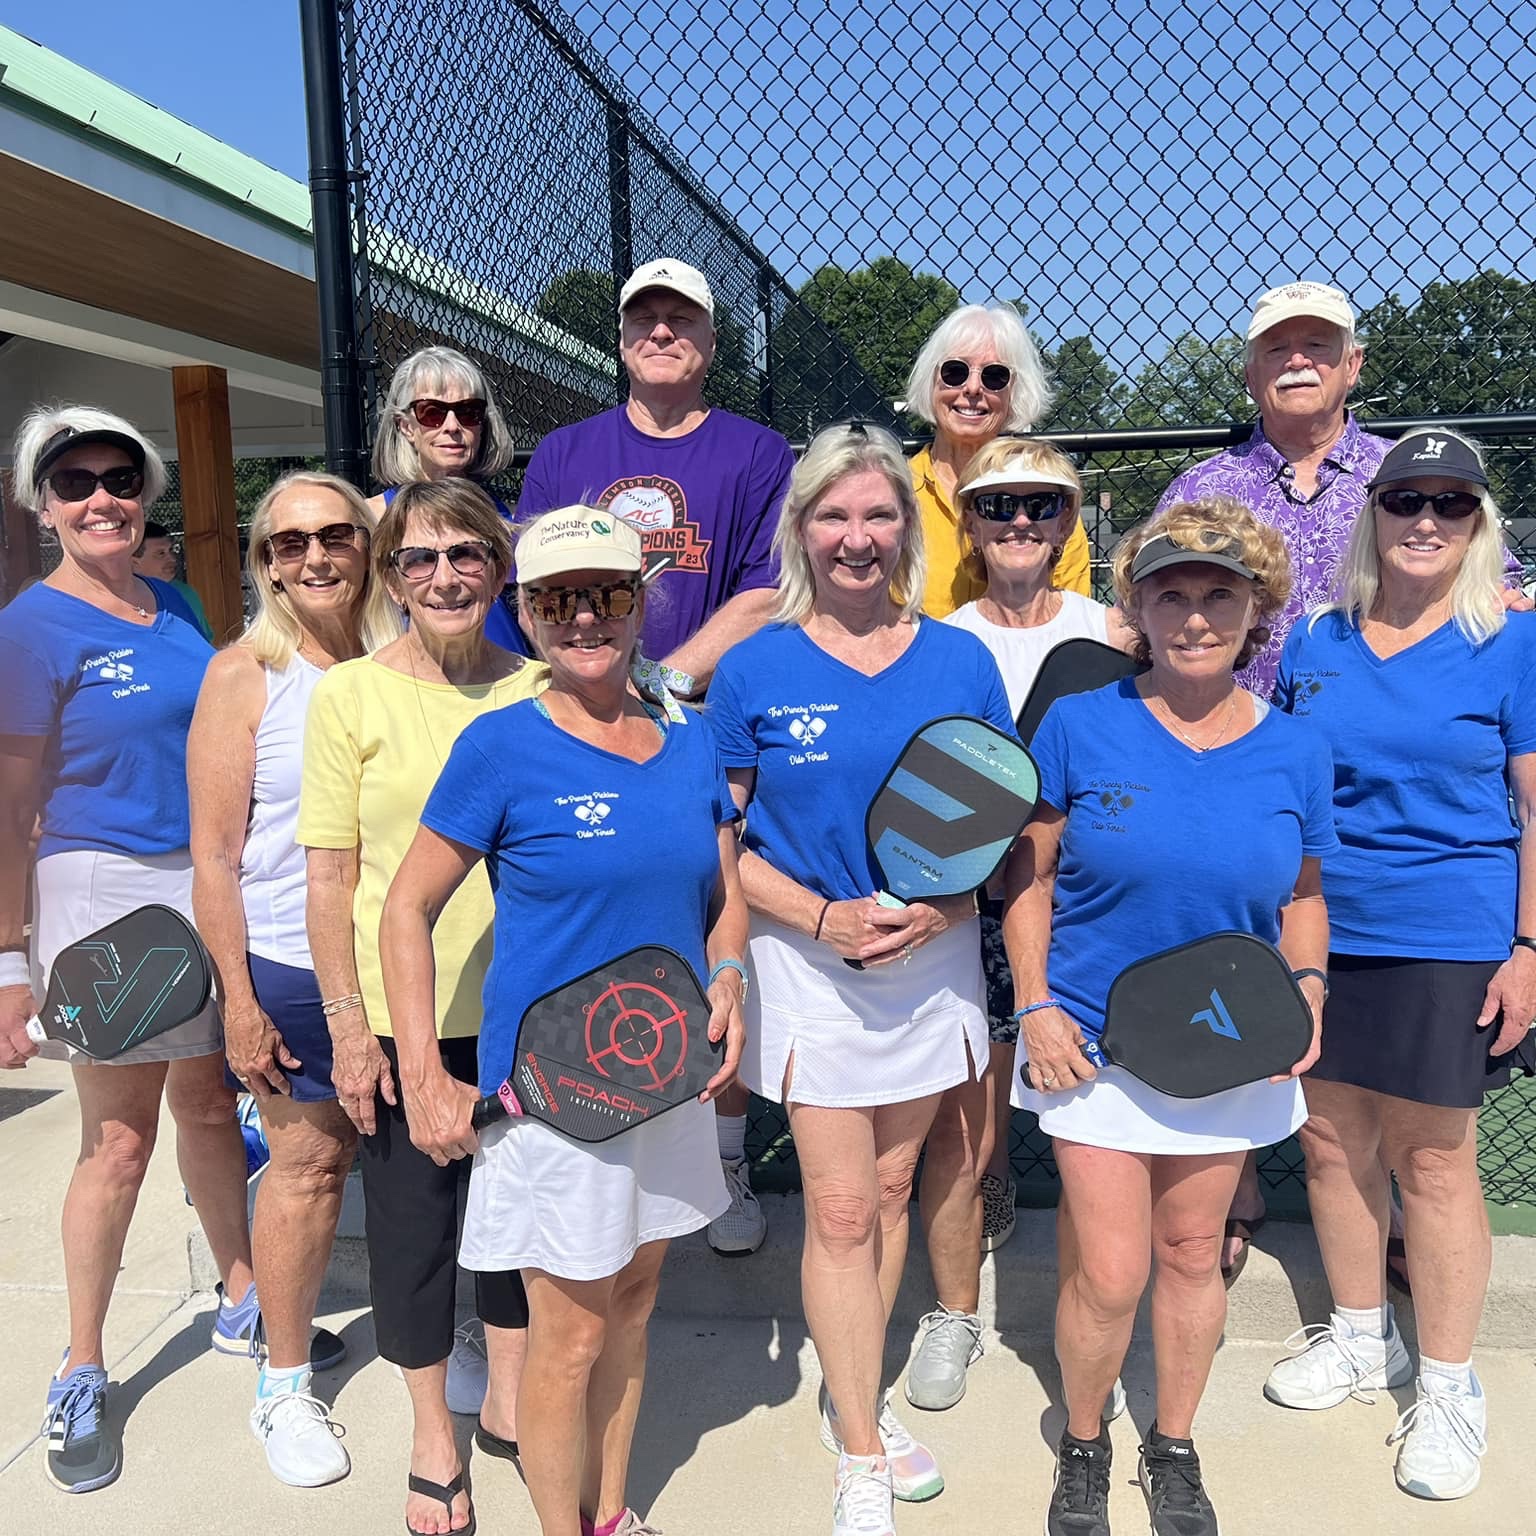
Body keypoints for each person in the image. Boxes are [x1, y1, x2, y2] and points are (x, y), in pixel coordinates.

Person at [380, 505, 746, 1536]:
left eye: (608, 593)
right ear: (527, 614)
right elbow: (405, 909)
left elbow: (726, 894)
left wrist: (731, 978)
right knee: (568, 1339)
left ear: (641, 600)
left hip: (665, 1073)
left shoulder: (688, 733)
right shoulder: (501, 746)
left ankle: (609, 1513)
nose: (585, 616)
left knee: (632, 1310)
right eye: (556, 599)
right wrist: (423, 1070)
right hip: (555, 1092)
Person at [1159, 283, 1526, 1281]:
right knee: (1238, 986)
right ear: (1250, 368)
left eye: (1319, 344)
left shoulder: (1401, 476)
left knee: (1406, 1118)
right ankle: (1228, 1182)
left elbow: (1495, 600)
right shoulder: (1205, 483)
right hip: (1232, 762)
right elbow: (1141, 610)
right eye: (1277, 346)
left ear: (1354, 364)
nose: (1298, 360)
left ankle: (1405, 1233)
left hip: (1372, 784)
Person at [1004, 496, 1332, 1536]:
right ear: (1139, 606)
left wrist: (1309, 992)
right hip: (1093, 1042)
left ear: (1256, 611)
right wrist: (1036, 1004)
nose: (1195, 616)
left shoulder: (1295, 750)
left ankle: (1175, 1444)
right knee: (1110, 1271)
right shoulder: (1079, 722)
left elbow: (1304, 897)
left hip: (1227, 1043)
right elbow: (1030, 877)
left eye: (1219, 596)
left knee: (1194, 1253)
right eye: (1173, 593)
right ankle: (1087, 1442)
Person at [709, 422, 1014, 1536]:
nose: (856, 536)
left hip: (929, 963)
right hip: (813, 963)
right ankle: (860, 1450)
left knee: (891, 1195)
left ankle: (859, 1399)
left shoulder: (959, 662)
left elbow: (994, 818)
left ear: (905, 530)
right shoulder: (755, 666)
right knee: (840, 1207)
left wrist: (941, 905)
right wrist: (822, 915)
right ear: (802, 530)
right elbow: (723, 843)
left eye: (878, 514)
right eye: (833, 516)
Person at [1263, 429, 1536, 1501]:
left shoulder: (1508, 641)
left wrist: (1528, 945)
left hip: (1449, 931)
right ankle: (1361, 1334)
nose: (1427, 520)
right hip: (1326, 929)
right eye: (1406, 499)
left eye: (1452, 504)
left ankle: (1453, 1382)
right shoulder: (1314, 640)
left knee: (1432, 1160)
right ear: (1371, 513)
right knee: (1331, 1145)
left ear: (1480, 525)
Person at [0, 405, 254, 1494]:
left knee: (208, 1104)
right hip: (101, 893)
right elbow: (9, 812)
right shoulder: (28, 629)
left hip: (199, 880)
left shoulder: (178, 603)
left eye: (119, 476)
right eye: (73, 481)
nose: (101, 496)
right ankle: (84, 1367)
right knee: (116, 1143)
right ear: (42, 503)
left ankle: (245, 1300)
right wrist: (8, 961)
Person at [520, 257, 795, 1258]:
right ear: (623, 338)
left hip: (700, 715)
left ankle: (721, 1153)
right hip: (581, 715)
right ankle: (593, 1110)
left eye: (683, 320)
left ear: (712, 343)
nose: (663, 332)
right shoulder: (566, 450)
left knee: (718, 918)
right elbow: (537, 575)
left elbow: (768, 589)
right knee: (601, 908)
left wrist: (667, 674)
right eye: (646, 318)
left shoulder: (757, 452)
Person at [298, 480, 548, 1536]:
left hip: (529, 1007)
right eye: (419, 559)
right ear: (390, 576)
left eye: (466, 556)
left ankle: (510, 1398)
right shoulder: (349, 695)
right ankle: (432, 1439)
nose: (444, 577)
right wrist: (350, 1028)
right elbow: (328, 878)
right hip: (406, 1013)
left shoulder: (543, 684)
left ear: (499, 570)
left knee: (519, 1219)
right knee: (414, 1229)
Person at [905, 437, 1136, 1413]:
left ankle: (1106, 1295)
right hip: (972, 901)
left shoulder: (1118, 633)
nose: (1020, 525)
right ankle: (977, 1240)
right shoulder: (941, 642)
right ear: (969, 521)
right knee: (973, 1086)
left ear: (1068, 522)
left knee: (1098, 1098)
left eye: (1042, 507)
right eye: (998, 507)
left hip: (1088, 898)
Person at [188, 470, 400, 1486]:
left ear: (367, 544)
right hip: (288, 961)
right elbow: (216, 856)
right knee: (311, 1170)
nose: (313, 557)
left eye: (334, 535)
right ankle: (282, 1383)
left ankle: (459, 1348)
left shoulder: (413, 662)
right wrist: (236, 996)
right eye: (286, 543)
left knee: (432, 1163)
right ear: (265, 564)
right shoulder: (246, 675)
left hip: (415, 962)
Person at [903, 302, 1093, 617]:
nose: (973, 388)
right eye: (955, 372)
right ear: (930, 379)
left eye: (994, 376)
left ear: (1014, 392)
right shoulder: (893, 492)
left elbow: (1071, 623)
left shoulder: (1047, 505)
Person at [368, 343, 530, 657]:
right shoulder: (371, 519)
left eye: (469, 412)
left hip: (511, 684)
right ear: (405, 427)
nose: (452, 426)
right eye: (432, 413)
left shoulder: (507, 520)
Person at [133, 520, 213, 638]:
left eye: (171, 550)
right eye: (161, 553)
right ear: (134, 563)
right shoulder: (119, 600)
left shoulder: (186, 594)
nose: (172, 559)